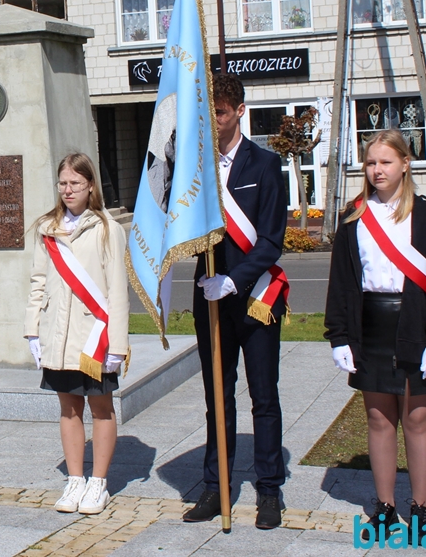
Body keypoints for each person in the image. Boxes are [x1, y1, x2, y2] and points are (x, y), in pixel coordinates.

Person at [324, 129, 426, 539]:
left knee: (418, 417)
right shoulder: (354, 217)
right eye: (370, 163)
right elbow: (342, 281)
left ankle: (420, 508)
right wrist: (339, 336)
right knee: (378, 417)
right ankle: (384, 507)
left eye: (386, 162)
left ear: (405, 163)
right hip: (371, 325)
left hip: (417, 325)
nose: (377, 170)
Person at [184, 72, 289, 530]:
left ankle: (269, 489)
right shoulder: (196, 168)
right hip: (210, 298)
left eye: (221, 113)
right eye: (208, 112)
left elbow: (271, 240)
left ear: (240, 111)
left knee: (263, 397)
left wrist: (234, 279)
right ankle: (216, 485)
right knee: (216, 396)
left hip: (255, 297)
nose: (214, 120)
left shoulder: (264, 165)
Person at [24, 153, 129, 516]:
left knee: (101, 408)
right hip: (58, 333)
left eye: (75, 183)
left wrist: (117, 344)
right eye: (63, 183)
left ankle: (98, 482)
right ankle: (75, 480)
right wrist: (33, 331)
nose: (68, 190)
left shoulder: (107, 228)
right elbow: (38, 282)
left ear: (90, 186)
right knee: (68, 409)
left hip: (94, 335)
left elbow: (117, 289)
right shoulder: (47, 228)